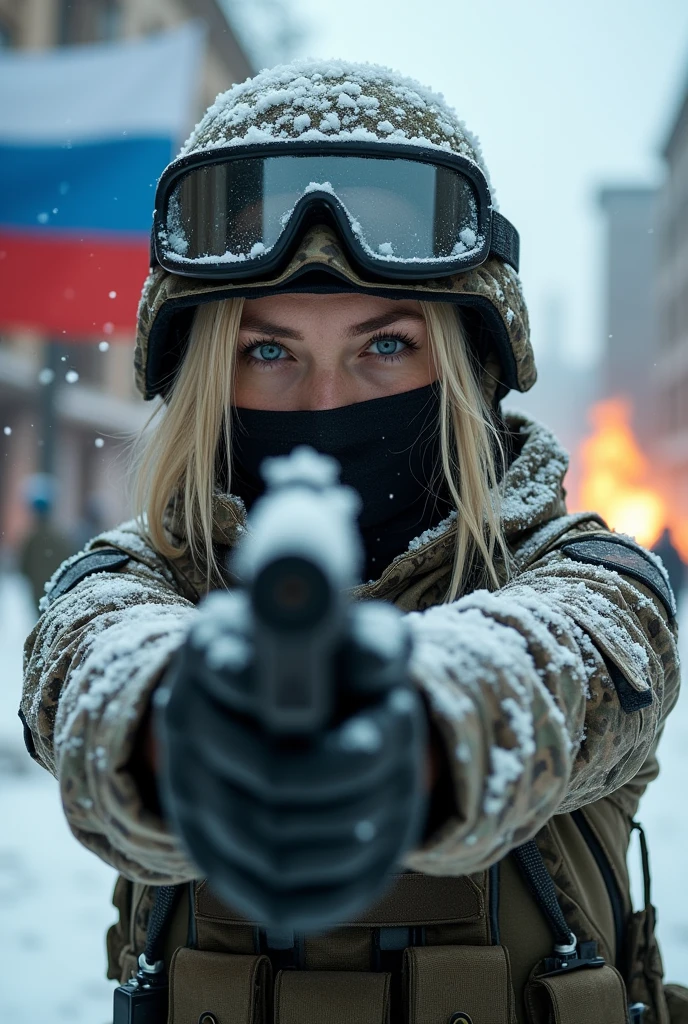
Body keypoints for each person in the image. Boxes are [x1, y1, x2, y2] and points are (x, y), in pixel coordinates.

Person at [20, 61, 686, 1024]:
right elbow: (96, 671)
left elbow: (560, 660)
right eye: (268, 351)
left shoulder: (594, 575)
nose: (326, 403)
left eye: (385, 346)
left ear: (466, 365)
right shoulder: (124, 580)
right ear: (207, 373)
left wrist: (422, 741)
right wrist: (188, 735)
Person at [17, 473, 73, 615]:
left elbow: (23, 567)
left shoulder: (31, 538)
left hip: (39, 591)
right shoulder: (60, 537)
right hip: (56, 590)